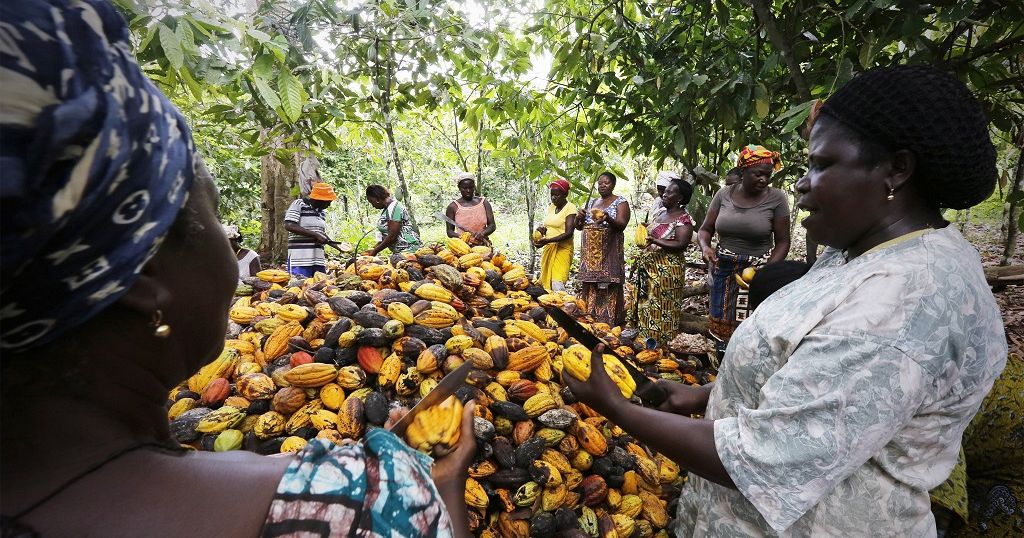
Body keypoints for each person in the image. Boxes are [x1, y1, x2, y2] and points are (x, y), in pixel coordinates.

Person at [0, 3, 475, 536]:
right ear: (145, 273)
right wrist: (438, 482)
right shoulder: (354, 503)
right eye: (216, 212)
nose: (231, 246)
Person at [561, 65, 1006, 537]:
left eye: (823, 164)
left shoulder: (905, 302)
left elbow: (763, 457)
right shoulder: (857, 253)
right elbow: (823, 387)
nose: (800, 183)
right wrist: (704, 394)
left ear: (896, 168)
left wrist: (620, 411)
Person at [697, 145, 791, 341]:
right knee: (719, 321)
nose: (764, 179)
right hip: (723, 267)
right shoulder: (723, 195)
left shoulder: (777, 198)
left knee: (753, 325)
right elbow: (705, 229)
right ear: (743, 171)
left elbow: (783, 241)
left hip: (758, 269)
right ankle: (721, 362)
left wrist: (766, 272)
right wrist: (705, 247)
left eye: (768, 175)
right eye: (758, 174)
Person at [633, 177, 695, 344]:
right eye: (665, 191)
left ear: (680, 198)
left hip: (667, 272)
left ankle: (661, 344)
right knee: (647, 305)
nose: (664, 194)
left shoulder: (684, 219)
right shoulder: (661, 213)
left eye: (669, 191)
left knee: (663, 307)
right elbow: (654, 233)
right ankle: (644, 341)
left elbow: (681, 243)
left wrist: (655, 241)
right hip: (649, 268)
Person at [575, 172, 631, 326]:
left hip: (609, 253)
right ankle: (590, 320)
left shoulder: (621, 202)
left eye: (606, 183)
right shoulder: (592, 202)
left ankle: (609, 323)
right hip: (590, 258)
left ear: (613, 184)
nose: (602, 185)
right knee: (590, 287)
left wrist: (608, 218)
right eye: (600, 183)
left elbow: (621, 225)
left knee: (608, 288)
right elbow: (579, 227)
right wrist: (578, 217)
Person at [284, 182, 337, 277]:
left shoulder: (322, 212)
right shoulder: (298, 204)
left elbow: (320, 234)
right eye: (328, 202)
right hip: (300, 259)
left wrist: (337, 246)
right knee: (298, 287)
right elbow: (289, 225)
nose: (329, 205)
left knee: (320, 288)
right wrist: (315, 235)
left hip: (317, 260)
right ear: (319, 199)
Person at [534, 179, 577, 291]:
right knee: (545, 283)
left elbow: (569, 233)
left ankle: (562, 306)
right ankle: (550, 306)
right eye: (552, 195)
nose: (553, 198)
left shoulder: (570, 208)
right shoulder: (551, 207)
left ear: (565, 194)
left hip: (563, 249)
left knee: (557, 282)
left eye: (557, 195)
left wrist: (548, 240)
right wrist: (542, 231)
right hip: (549, 249)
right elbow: (549, 226)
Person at [364, 185, 422, 256]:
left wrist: (375, 251)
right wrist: (374, 249)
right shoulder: (387, 209)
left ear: (377, 199)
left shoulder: (394, 208)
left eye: (371, 202)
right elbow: (386, 235)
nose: (372, 205)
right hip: (400, 252)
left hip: (409, 250)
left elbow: (392, 236)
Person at [445, 172, 495, 244]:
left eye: (471, 187)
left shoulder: (484, 203)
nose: (468, 191)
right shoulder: (453, 207)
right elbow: (449, 231)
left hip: (483, 244)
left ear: (474, 187)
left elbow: (492, 225)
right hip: (463, 246)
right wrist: (461, 237)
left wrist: (482, 234)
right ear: (459, 188)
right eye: (465, 188)